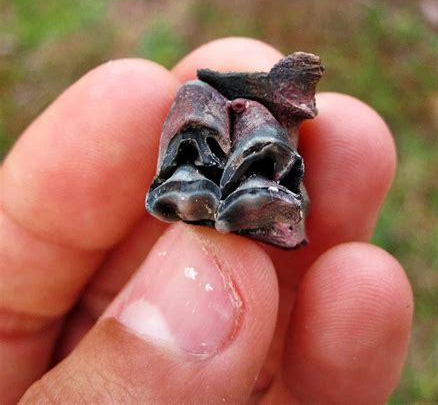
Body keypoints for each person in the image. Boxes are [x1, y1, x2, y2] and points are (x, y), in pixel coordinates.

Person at [0, 38, 413, 404]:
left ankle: (244, 181)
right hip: (233, 177)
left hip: (267, 188)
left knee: (205, 99)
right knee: (196, 95)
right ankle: (203, 177)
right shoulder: (204, 99)